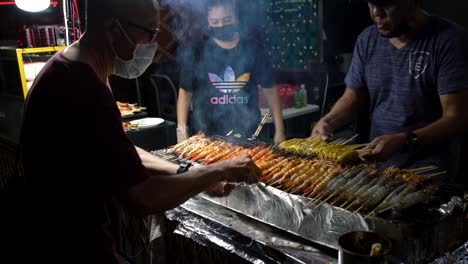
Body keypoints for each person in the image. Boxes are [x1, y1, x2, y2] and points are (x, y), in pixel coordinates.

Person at [11, 0, 261, 263]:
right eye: (149, 32)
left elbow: (121, 152)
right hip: (70, 247)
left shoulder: (81, 67)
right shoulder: (81, 86)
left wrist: (187, 172)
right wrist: (219, 170)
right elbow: (142, 197)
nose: (153, 42)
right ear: (113, 28)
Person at [312, 0, 468, 181]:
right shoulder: (368, 39)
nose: (377, 13)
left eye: (386, 5)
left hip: (430, 173)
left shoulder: (449, 40)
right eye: (371, 4)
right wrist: (327, 122)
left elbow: (457, 118)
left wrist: (406, 140)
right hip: (378, 168)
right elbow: (353, 97)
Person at [176, 0, 286, 144]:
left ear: (236, 17)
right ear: (208, 22)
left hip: (248, 135)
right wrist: (181, 133)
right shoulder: (197, 50)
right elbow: (185, 94)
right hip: (205, 138)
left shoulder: (253, 47)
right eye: (215, 22)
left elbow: (270, 90)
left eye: (227, 20)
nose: (221, 25)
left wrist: (280, 131)